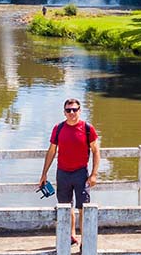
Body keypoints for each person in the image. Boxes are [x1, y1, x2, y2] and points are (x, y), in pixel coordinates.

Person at [38, 98, 99, 246]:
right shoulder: (58, 128)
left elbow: (96, 151)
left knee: (83, 207)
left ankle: (85, 240)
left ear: (80, 110)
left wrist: (94, 174)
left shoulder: (87, 128)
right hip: (63, 173)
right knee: (65, 206)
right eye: (68, 110)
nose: (71, 113)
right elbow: (52, 151)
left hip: (81, 173)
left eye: (74, 110)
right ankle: (71, 236)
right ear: (64, 112)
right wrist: (44, 173)